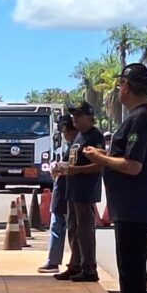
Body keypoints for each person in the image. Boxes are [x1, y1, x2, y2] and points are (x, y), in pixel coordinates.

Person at [83, 63, 147, 293]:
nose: (119, 90)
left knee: (131, 268)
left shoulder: (140, 118)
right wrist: (106, 155)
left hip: (135, 204)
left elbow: (132, 165)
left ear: (127, 87)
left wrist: (100, 158)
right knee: (130, 267)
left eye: (120, 85)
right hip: (135, 203)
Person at [54, 101, 105, 282]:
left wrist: (78, 170)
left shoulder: (94, 136)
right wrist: (62, 168)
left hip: (85, 190)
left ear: (89, 117)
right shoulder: (79, 137)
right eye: (74, 115)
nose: (75, 119)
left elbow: (100, 164)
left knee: (85, 230)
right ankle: (75, 265)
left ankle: (89, 268)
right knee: (73, 229)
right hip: (72, 190)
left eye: (79, 115)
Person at [38, 115, 74, 273]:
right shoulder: (68, 145)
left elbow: (72, 166)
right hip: (61, 189)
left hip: (67, 191)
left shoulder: (75, 145)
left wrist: (59, 167)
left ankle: (55, 261)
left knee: (59, 226)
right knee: (58, 225)